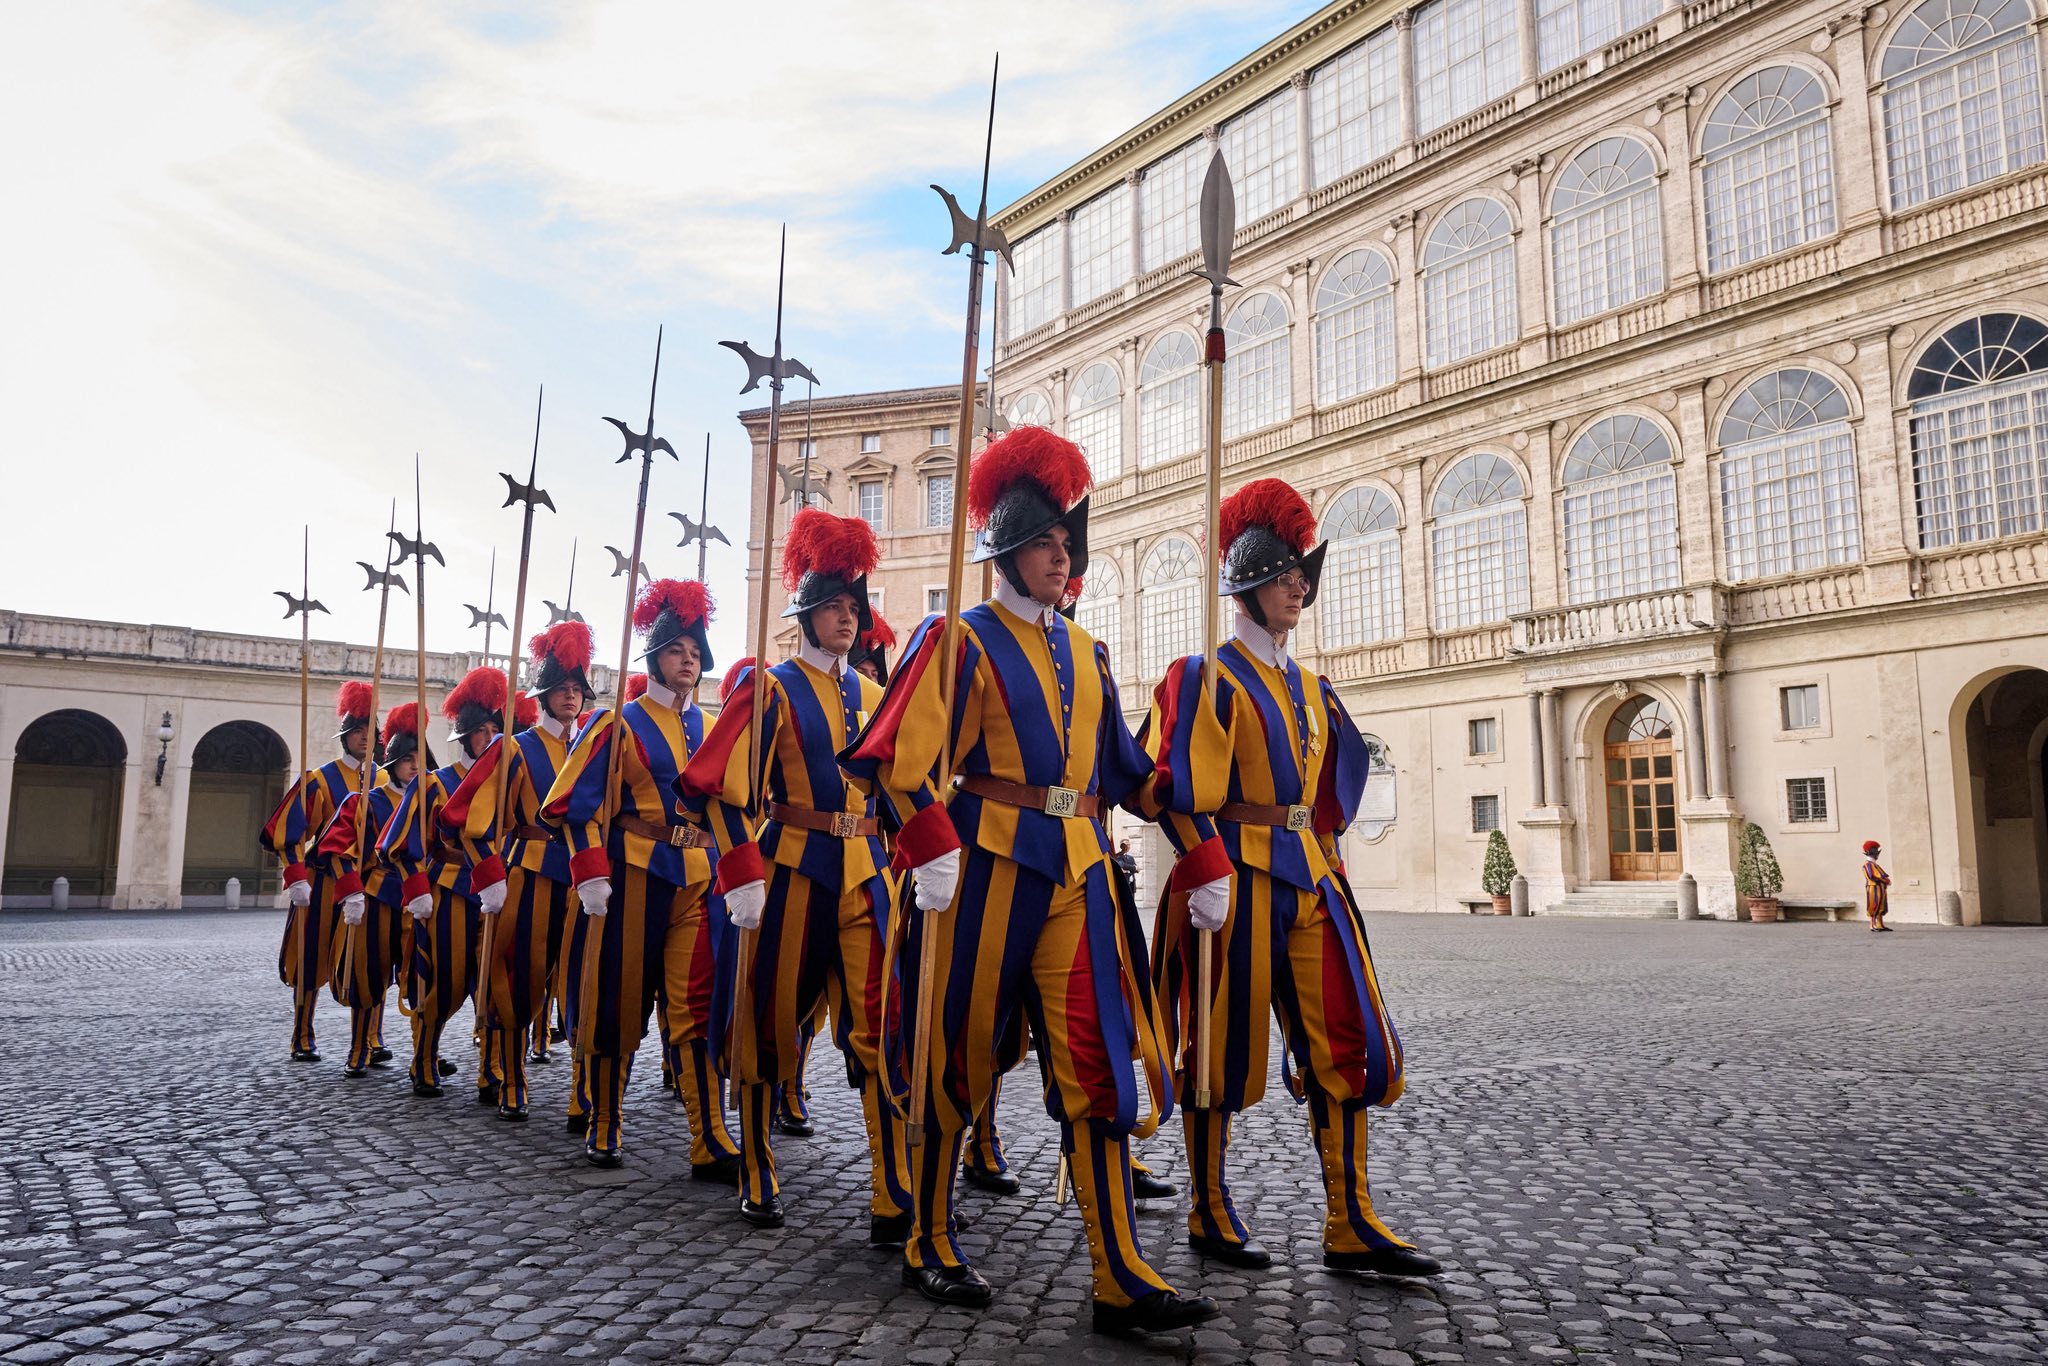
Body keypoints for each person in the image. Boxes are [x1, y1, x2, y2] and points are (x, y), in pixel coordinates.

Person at [841, 427, 1216, 1336]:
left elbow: (1127, 772)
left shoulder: (1088, 654)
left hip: (1080, 870)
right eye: (1049, 541)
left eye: (1068, 543)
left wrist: (1199, 837)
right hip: (985, 866)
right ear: (1009, 544)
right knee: (958, 1052)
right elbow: (897, 761)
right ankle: (930, 1233)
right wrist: (927, 843)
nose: (1065, 556)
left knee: (1097, 1060)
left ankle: (1118, 1269)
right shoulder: (956, 641)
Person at [1136, 477, 1438, 1282]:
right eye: (1284, 575)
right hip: (1234, 882)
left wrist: (1333, 867)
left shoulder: (1314, 687)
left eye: (1303, 577)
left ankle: (1351, 1219)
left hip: (1311, 878)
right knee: (1220, 1052)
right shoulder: (1206, 675)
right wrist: (1203, 870)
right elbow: (1174, 785)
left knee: (1346, 1039)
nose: (1299, 587)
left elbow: (1325, 800)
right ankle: (1207, 1205)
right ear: (1247, 583)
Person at [679, 510, 912, 1242]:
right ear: (808, 614)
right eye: (836, 608)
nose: (848, 619)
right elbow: (711, 784)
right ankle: (756, 1165)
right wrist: (740, 867)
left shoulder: (875, 698)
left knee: (880, 1029)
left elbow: (903, 784)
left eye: (855, 608)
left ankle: (891, 1187)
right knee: (769, 1025)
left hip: (865, 874)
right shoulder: (771, 688)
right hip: (791, 872)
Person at [544, 578, 742, 1175]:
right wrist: (591, 873)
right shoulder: (616, 724)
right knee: (619, 1000)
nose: (691, 660)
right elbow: (571, 803)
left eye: (696, 651)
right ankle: (605, 1120)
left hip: (698, 878)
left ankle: (708, 1136)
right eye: (679, 649)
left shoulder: (709, 727)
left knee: (695, 1004)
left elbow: (729, 804)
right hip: (633, 876)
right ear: (655, 657)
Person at [441, 622, 591, 1122]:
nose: (571, 697)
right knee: (518, 981)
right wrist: (490, 875)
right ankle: (509, 1075)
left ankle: (585, 1091)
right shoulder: (513, 747)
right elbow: (467, 817)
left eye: (577, 689)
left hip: (588, 877)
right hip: (530, 873)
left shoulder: (594, 743)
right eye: (562, 689)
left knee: (584, 985)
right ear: (544, 696)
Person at [384, 666, 515, 1099]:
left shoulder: (506, 783)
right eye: (484, 730)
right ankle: (424, 1056)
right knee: (449, 978)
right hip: (450, 889)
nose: (492, 737)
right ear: (465, 735)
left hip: (500, 889)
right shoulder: (434, 784)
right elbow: (401, 844)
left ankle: (491, 1069)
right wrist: (416, 887)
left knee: (497, 980)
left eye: (498, 729)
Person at [261, 680, 375, 1063]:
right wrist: (295, 875)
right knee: (309, 957)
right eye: (357, 732)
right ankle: (302, 1031)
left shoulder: (384, 782)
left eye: (370, 732)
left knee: (368, 958)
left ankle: (369, 1039)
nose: (364, 739)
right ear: (345, 737)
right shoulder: (320, 779)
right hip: (324, 881)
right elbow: (289, 830)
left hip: (368, 882)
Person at [317, 702, 425, 1078]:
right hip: (377, 896)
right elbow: (336, 849)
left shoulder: (430, 804)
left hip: (418, 899)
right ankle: (360, 1047)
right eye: (408, 759)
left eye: (420, 759)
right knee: (368, 975)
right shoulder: (367, 802)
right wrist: (351, 892)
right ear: (392, 761)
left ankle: (423, 1054)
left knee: (420, 977)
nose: (415, 766)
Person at [1862, 841, 1892, 932]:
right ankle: (1872, 925)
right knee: (1874, 905)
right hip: (1873, 887)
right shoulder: (1868, 865)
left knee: (1881, 906)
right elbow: (1874, 876)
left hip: (1880, 887)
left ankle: (1880, 924)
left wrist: (1885, 881)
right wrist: (1885, 880)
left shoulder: (1874, 864)